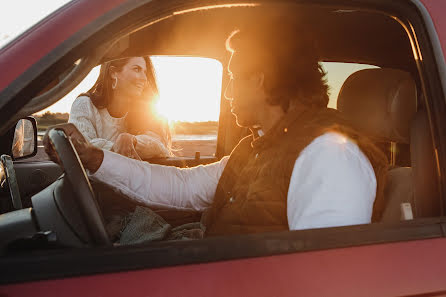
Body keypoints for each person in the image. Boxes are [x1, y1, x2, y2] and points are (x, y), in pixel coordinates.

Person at [45, 23, 388, 237]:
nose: (227, 92)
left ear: (261, 80)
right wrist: (94, 158)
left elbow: (323, 278)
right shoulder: (258, 148)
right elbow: (182, 187)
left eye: (235, 78)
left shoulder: (330, 157)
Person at [69, 56, 172, 161]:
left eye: (145, 72)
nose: (144, 78)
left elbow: (161, 148)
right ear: (113, 73)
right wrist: (117, 146)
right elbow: (82, 146)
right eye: (137, 69)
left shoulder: (148, 110)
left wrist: (133, 141)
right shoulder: (84, 105)